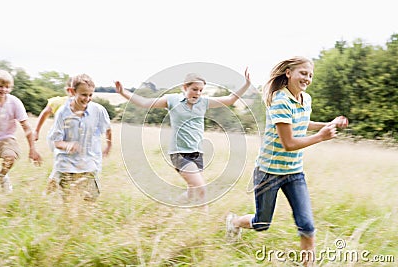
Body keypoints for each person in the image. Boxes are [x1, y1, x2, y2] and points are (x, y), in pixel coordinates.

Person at [225, 57, 348, 265]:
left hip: (294, 172)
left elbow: (302, 122)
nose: (307, 78)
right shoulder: (280, 100)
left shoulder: (305, 99)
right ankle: (235, 222)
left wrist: (328, 124)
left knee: (307, 227)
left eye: (310, 75)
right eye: (303, 73)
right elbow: (288, 143)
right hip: (269, 172)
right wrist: (321, 137)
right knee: (262, 223)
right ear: (288, 73)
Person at [115, 69, 251, 207]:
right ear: (184, 87)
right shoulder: (172, 100)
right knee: (200, 188)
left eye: (200, 90)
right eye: (194, 89)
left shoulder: (203, 102)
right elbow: (145, 103)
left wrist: (246, 84)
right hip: (179, 153)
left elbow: (230, 99)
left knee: (193, 192)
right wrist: (123, 92)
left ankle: (171, 208)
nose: (197, 93)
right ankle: (204, 222)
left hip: (197, 153)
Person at [48, 73, 112, 202]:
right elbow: (56, 141)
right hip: (66, 163)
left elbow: (108, 129)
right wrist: (68, 145)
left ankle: (84, 219)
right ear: (72, 92)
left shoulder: (98, 110)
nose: (87, 99)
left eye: (90, 95)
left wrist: (109, 146)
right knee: (67, 200)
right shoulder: (62, 113)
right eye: (83, 95)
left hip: (89, 161)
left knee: (91, 197)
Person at [0, 69, 43, 193]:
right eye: (0, 86)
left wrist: (32, 149)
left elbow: (26, 127)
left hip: (6, 138)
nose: (3, 90)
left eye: (7, 87)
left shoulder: (14, 102)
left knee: (10, 157)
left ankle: (2, 176)